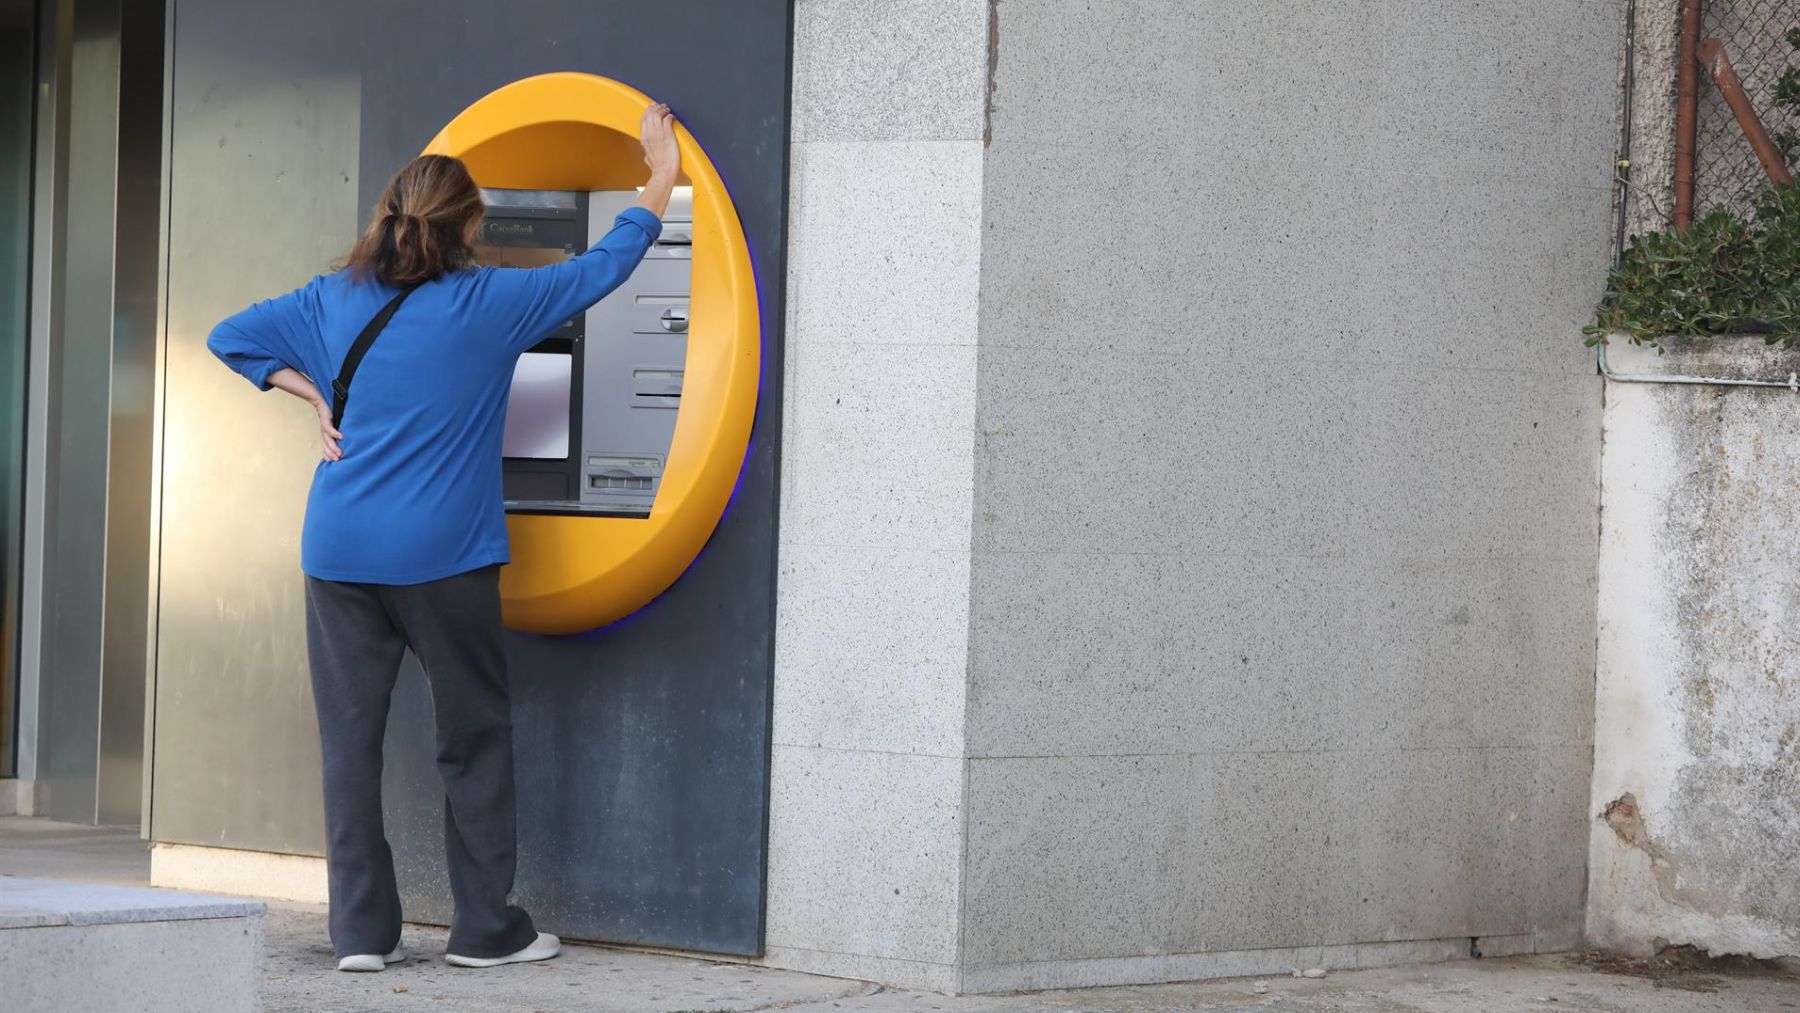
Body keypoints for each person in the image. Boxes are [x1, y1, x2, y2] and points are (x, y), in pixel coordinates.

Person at [206, 103, 682, 971]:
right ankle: (484, 929)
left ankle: (360, 935)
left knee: (350, 742)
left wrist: (310, 392)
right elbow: (609, 261)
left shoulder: (329, 300)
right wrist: (659, 173)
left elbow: (228, 337)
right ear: (468, 225)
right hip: (445, 558)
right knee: (471, 736)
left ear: (389, 216)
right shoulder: (492, 300)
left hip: (339, 551)